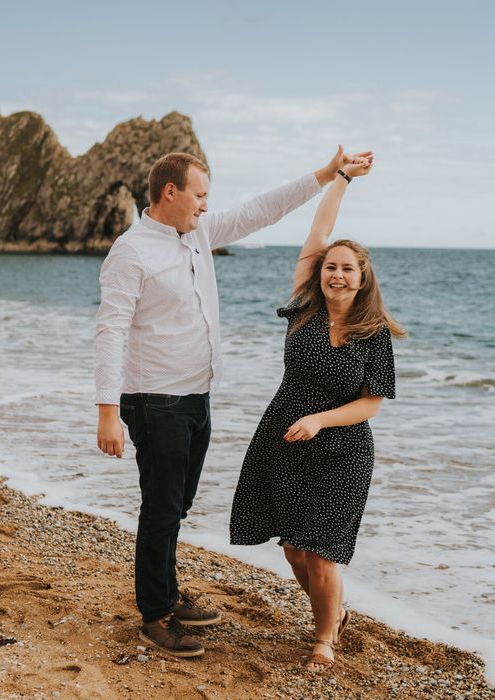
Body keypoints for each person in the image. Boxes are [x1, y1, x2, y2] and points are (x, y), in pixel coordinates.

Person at [95, 145, 370, 658]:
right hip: (153, 400)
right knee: (161, 508)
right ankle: (155, 614)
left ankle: (168, 593)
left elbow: (260, 210)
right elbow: (110, 331)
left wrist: (327, 174)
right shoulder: (131, 251)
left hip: (195, 396)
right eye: (199, 195)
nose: (205, 205)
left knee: (177, 504)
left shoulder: (197, 233)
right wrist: (107, 411)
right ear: (169, 192)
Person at [229, 155, 406, 670]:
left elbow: (371, 403)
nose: (336, 273)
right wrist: (342, 179)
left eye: (347, 268)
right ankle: (335, 613)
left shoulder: (373, 335)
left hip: (342, 451)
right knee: (292, 549)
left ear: (361, 278)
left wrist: (321, 420)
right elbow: (319, 230)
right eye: (331, 266)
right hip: (284, 437)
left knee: (321, 552)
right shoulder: (304, 307)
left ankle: (324, 638)